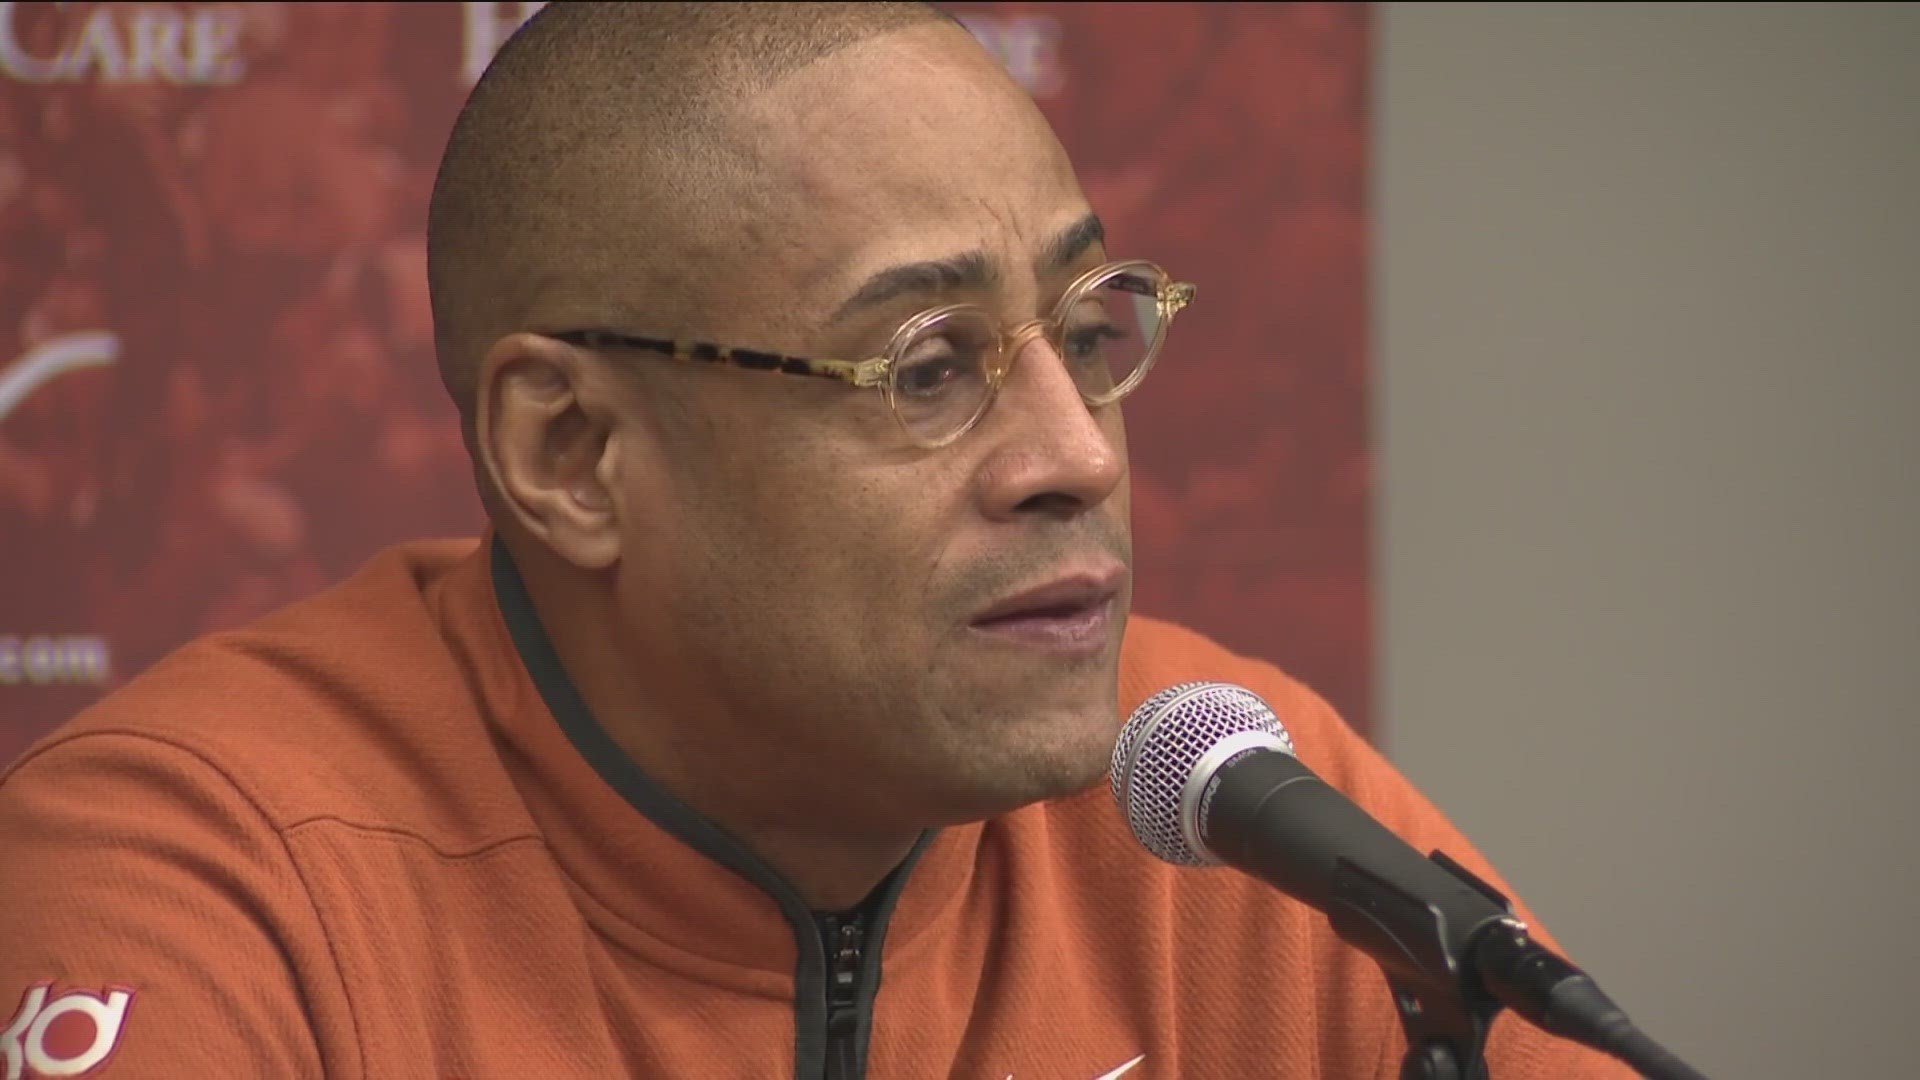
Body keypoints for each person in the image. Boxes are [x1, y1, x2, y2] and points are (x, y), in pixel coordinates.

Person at [0, 4, 1635, 1077]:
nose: (1078, 453)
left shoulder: (1230, 803)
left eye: (1087, 326)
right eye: (927, 368)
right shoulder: (211, 876)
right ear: (571, 453)